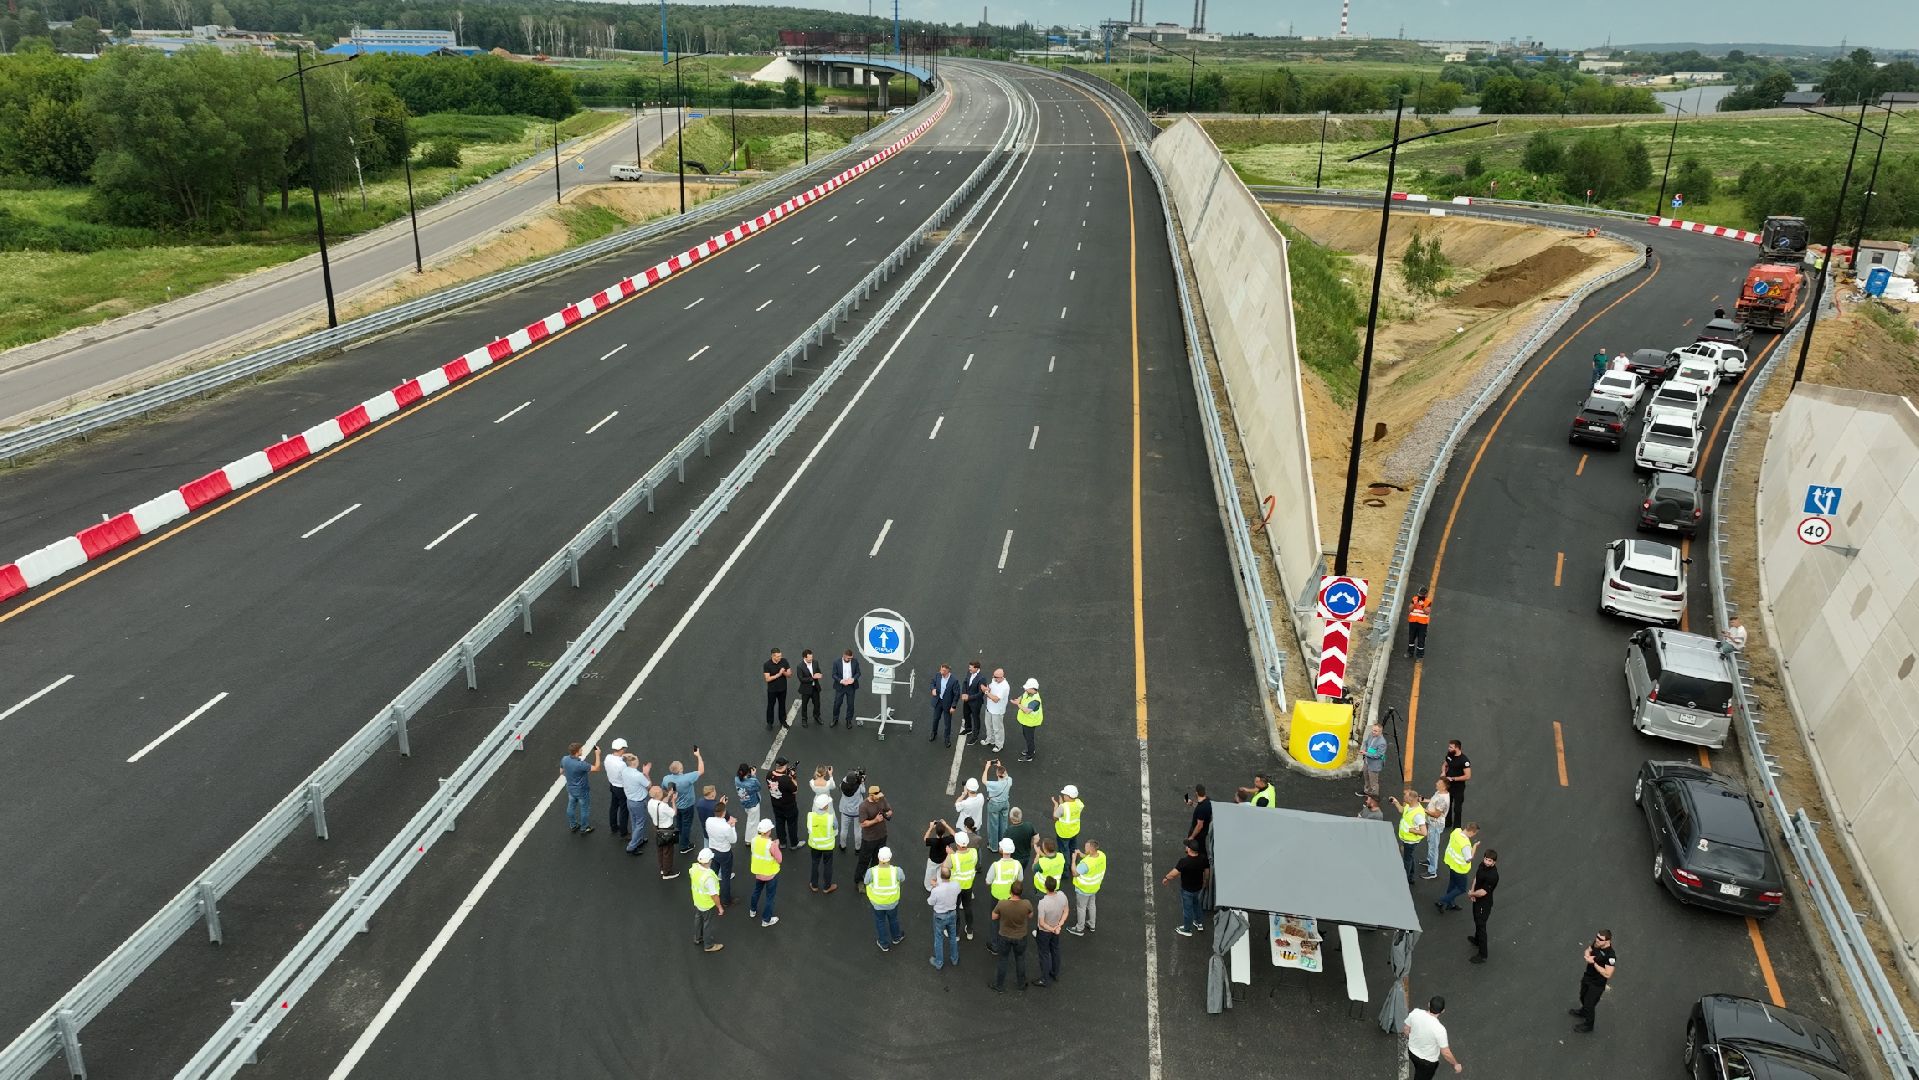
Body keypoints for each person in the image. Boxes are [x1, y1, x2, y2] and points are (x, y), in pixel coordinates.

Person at [989, 880, 1034, 993]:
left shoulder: (1002, 903)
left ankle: (999, 986)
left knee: (1003, 960)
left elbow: (994, 917)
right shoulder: (1026, 904)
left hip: (1004, 936)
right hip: (1021, 937)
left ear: (1010, 891)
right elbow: (1030, 915)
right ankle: (1021, 984)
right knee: (1020, 959)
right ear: (1021, 892)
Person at [1405, 996, 1463, 1078]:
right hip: (1427, 1061)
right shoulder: (1440, 1029)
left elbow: (1406, 1029)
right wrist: (1456, 1064)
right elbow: (1446, 1052)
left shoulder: (1415, 1013)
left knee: (1418, 1068)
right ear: (1442, 1011)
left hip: (1411, 1051)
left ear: (1428, 1004)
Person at [1570, 930, 1617, 1033]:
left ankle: (1589, 1025)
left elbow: (1608, 973)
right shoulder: (1597, 943)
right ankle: (1583, 1011)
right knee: (1582, 996)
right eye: (1597, 937)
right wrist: (1587, 956)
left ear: (1608, 941)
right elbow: (1588, 950)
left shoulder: (1611, 956)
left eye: (1600, 939)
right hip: (1588, 976)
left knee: (1589, 1004)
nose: (1597, 940)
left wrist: (1594, 962)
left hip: (1597, 984)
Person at [1162, 839, 1209, 937]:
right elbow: (1207, 871)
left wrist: (1166, 878)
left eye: (1187, 846)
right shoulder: (1203, 858)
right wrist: (1205, 881)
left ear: (1189, 849)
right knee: (1196, 904)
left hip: (1187, 890)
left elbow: (1173, 874)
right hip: (1198, 887)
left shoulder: (1184, 862)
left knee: (1187, 910)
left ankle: (1187, 929)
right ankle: (1199, 922)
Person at [985, 838, 1023, 955]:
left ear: (1001, 850)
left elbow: (988, 881)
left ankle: (995, 945)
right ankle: (1008, 942)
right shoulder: (1017, 865)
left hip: (997, 897)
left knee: (995, 920)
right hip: (1011, 898)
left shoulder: (996, 865)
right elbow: (1020, 880)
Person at [662, 748, 704, 854]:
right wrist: (698, 756)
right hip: (687, 806)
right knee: (686, 825)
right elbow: (701, 770)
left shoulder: (666, 778)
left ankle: (679, 834)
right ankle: (684, 846)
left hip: (675, 804)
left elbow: (664, 789)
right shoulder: (687, 778)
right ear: (680, 769)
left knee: (679, 822)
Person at [866, 846, 906, 952]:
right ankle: (896, 937)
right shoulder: (897, 871)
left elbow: (866, 881)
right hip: (892, 902)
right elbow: (902, 879)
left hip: (877, 903)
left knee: (880, 921)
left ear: (878, 857)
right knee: (893, 919)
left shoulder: (871, 871)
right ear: (890, 857)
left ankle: (883, 943)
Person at [855, 783, 894, 887]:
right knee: (864, 861)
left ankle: (871, 877)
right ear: (871, 795)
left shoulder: (881, 799)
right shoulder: (863, 806)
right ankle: (859, 881)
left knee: (877, 860)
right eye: (877, 797)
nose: (879, 799)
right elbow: (862, 823)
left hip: (882, 836)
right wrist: (875, 820)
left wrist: (888, 813)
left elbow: (889, 810)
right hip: (869, 839)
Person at [1433, 822, 1479, 912]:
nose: (1474, 835)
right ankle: (1442, 901)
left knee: (1453, 884)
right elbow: (1469, 859)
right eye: (1475, 833)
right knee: (1461, 888)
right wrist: (1474, 847)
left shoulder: (1456, 831)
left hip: (1452, 864)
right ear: (1472, 832)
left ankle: (1450, 903)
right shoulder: (1465, 844)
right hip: (1460, 869)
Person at [748, 819, 783, 928]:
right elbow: (779, 859)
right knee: (769, 897)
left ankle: (752, 910)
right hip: (770, 874)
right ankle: (766, 920)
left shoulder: (754, 840)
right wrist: (776, 845)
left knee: (756, 891)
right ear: (768, 831)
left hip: (758, 872)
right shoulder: (771, 845)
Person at [1033, 874, 1067, 987]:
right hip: (1056, 930)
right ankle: (1055, 973)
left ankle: (1044, 979)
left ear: (1046, 887)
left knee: (1044, 954)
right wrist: (1059, 926)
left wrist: (1052, 929)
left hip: (1044, 932)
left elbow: (1042, 923)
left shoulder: (1043, 903)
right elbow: (1066, 911)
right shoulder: (1062, 895)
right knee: (1055, 951)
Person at [559, 742, 601, 834]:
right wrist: (597, 754)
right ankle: (584, 827)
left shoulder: (564, 759)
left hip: (570, 788)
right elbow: (597, 768)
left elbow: (561, 772)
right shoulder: (581, 764)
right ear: (577, 752)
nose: (582, 750)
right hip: (582, 790)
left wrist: (571, 777)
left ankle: (573, 825)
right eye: (581, 749)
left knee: (571, 806)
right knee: (584, 808)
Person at [1467, 849, 1499, 964]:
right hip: (1477, 898)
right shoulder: (1482, 865)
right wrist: (1473, 890)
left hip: (1484, 904)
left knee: (1481, 926)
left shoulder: (1493, 876)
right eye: (1486, 859)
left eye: (1489, 861)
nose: (1486, 862)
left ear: (1494, 862)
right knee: (1476, 920)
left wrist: (1472, 894)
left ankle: (1482, 954)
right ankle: (1476, 940)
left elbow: (1483, 892)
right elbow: (1476, 877)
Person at [705, 797, 738, 906]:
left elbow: (721, 814)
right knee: (725, 876)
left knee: (713, 874)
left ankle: (711, 894)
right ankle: (726, 900)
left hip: (712, 850)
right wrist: (732, 826)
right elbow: (733, 840)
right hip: (724, 853)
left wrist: (722, 804)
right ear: (724, 813)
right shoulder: (726, 827)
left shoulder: (708, 821)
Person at [690, 848, 724, 954]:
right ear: (709, 861)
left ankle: (697, 937)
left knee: (698, 918)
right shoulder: (709, 876)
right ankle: (708, 945)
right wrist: (719, 907)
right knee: (707, 924)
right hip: (706, 904)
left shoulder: (694, 868)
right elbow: (714, 895)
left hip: (697, 900)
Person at [1391, 788, 1428, 883]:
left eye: (1406, 797)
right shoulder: (1410, 805)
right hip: (1406, 838)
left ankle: (1404, 879)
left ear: (1411, 800)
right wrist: (1396, 803)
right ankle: (1411, 877)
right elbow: (1402, 811)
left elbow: (1424, 832)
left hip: (1410, 841)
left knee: (1407, 860)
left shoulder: (1418, 815)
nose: (1404, 798)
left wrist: (1412, 830)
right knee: (1410, 856)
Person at [1068, 838, 1104, 936]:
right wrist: (1080, 854)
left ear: (1091, 849)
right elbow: (1088, 857)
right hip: (1094, 887)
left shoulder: (1085, 865)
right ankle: (1092, 924)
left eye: (1086, 847)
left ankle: (1079, 928)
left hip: (1083, 889)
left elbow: (1075, 873)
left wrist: (1074, 859)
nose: (1084, 848)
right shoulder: (1101, 855)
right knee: (1092, 905)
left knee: (1081, 908)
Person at [928, 865, 961, 970]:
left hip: (939, 916)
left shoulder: (936, 890)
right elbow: (958, 890)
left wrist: (934, 887)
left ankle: (939, 962)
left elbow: (930, 902)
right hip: (952, 914)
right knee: (953, 936)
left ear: (940, 876)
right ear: (950, 875)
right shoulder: (956, 885)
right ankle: (954, 958)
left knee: (939, 939)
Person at [951, 831, 981, 940]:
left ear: (957, 844)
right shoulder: (973, 852)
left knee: (955, 909)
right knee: (968, 907)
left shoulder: (953, 857)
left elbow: (946, 868)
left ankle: (956, 934)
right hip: (968, 885)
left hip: (956, 888)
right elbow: (974, 863)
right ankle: (969, 931)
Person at [623, 754, 653, 856]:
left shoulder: (624, 770)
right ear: (635, 763)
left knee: (635, 822)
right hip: (638, 802)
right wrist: (646, 773)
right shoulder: (638, 775)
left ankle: (639, 839)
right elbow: (649, 786)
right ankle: (632, 846)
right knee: (640, 824)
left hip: (630, 801)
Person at [806, 793, 838, 893]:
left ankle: (814, 885)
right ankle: (827, 887)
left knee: (815, 864)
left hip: (815, 845)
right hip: (828, 846)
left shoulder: (810, 816)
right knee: (827, 865)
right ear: (826, 806)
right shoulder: (830, 817)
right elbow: (835, 827)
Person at [767, 758, 801, 850]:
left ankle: (782, 843)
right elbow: (795, 790)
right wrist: (793, 777)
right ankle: (794, 844)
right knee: (792, 825)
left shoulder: (769, 775)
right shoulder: (786, 780)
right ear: (784, 766)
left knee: (779, 823)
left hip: (776, 805)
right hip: (789, 806)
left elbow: (778, 780)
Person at [648, 784, 680, 880]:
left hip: (657, 827)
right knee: (668, 851)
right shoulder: (663, 806)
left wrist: (669, 795)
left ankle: (662, 868)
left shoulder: (650, 802)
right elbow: (674, 813)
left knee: (660, 849)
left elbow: (662, 802)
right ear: (658, 795)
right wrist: (673, 801)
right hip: (666, 829)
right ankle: (667, 873)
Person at [1423, 780, 1452, 879]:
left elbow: (1436, 814)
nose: (1436, 783)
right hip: (1431, 823)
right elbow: (1432, 801)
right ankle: (1429, 861)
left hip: (1435, 824)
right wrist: (1423, 800)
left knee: (1433, 847)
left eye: (1439, 783)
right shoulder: (1439, 792)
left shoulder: (1443, 799)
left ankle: (1432, 871)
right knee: (1430, 843)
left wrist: (1423, 810)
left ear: (1444, 787)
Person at [1440, 741, 1472, 831]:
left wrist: (1453, 779)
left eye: (1451, 747)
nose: (1448, 748)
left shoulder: (1464, 761)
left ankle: (1457, 827)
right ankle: (1447, 822)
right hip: (1448, 786)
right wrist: (1443, 772)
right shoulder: (1450, 755)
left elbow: (1468, 776)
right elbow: (1445, 764)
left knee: (1457, 809)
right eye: (1449, 747)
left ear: (1457, 748)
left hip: (1458, 788)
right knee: (1447, 805)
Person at [983, 760, 1013, 849]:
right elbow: (1004, 774)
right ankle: (1002, 844)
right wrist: (1000, 766)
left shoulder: (995, 785)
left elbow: (984, 780)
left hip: (994, 805)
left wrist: (987, 767)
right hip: (1005, 803)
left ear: (997, 775)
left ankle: (994, 846)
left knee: (993, 825)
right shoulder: (1009, 780)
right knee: (1004, 823)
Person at [927, 663, 958, 747]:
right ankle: (934, 732)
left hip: (947, 704)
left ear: (948, 671)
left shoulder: (954, 680)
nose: (941, 672)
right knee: (935, 719)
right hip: (938, 702)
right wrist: (933, 689)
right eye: (941, 669)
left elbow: (956, 694)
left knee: (947, 723)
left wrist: (953, 706)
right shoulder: (938, 675)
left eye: (943, 670)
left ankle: (947, 738)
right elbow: (932, 682)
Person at [605, 738, 631, 838]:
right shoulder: (622, 765)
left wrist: (623, 757)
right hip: (621, 788)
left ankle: (613, 826)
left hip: (612, 785)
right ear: (622, 749)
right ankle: (624, 832)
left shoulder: (608, 758)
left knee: (614, 806)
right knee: (624, 810)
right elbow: (626, 777)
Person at [1014, 677, 1044, 761]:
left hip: (1030, 723)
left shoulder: (1035, 701)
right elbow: (1022, 696)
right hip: (1026, 721)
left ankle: (1029, 755)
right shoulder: (1028, 692)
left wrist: (1018, 704)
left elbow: (1027, 711)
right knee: (1027, 736)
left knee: (1029, 739)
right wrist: (1019, 699)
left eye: (1027, 688)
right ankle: (1030, 750)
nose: (1025, 689)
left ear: (1032, 689)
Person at [982, 668, 1011, 752]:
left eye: (995, 677)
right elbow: (990, 688)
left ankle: (999, 745)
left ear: (1001, 677)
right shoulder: (995, 680)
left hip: (997, 711)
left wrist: (986, 692)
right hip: (989, 708)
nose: (993, 678)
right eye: (993, 676)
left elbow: (996, 699)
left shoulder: (1005, 687)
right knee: (988, 726)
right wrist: (986, 689)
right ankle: (990, 739)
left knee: (997, 729)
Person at [923, 818, 956, 890]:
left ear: (936, 832)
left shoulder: (933, 841)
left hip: (933, 861)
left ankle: (929, 886)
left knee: (930, 873)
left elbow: (925, 839)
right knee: (940, 873)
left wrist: (931, 827)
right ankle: (939, 884)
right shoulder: (947, 840)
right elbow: (954, 834)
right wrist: (946, 825)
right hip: (943, 860)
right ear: (944, 832)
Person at [1052, 784, 1084, 858]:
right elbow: (1070, 810)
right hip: (1074, 830)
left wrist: (1056, 805)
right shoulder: (1079, 803)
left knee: (1064, 851)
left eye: (1064, 795)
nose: (1063, 796)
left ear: (1068, 796)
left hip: (1063, 833)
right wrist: (1062, 804)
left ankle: (1065, 868)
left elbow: (1055, 817)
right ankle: (1074, 862)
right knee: (1073, 848)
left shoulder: (1063, 807)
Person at [1030, 838, 1065, 907]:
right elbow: (1050, 858)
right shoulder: (1061, 856)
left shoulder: (1042, 862)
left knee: (1043, 903)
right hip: (1055, 886)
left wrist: (1037, 854)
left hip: (1042, 888)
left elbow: (1033, 868)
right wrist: (1042, 853)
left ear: (1045, 850)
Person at [763, 647, 792, 729]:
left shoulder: (784, 661)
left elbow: (789, 674)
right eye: (778, 656)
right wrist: (779, 674)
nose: (780, 657)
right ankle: (769, 722)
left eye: (780, 655)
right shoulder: (767, 665)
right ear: (773, 656)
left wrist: (784, 672)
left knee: (782, 705)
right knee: (770, 706)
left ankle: (783, 721)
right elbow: (767, 679)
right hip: (772, 690)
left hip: (783, 689)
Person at [832, 648, 862, 728]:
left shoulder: (855, 661)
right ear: (844, 656)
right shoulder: (836, 662)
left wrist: (853, 679)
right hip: (840, 686)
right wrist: (841, 681)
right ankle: (835, 719)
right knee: (837, 704)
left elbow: (858, 673)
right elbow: (834, 675)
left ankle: (849, 720)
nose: (850, 659)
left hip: (851, 687)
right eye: (848, 658)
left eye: (851, 658)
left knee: (850, 705)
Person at [960, 660, 987, 744]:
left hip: (975, 703)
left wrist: (969, 697)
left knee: (975, 719)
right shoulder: (969, 673)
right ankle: (968, 729)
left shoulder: (982, 678)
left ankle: (975, 737)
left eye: (970, 667)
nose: (969, 669)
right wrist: (964, 693)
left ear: (976, 668)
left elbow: (980, 693)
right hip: (967, 700)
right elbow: (965, 683)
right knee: (966, 714)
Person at [838, 769, 865, 852]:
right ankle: (858, 848)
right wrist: (862, 781)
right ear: (855, 780)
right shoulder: (859, 786)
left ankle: (842, 845)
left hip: (846, 811)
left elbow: (844, 780)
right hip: (857, 812)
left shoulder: (842, 786)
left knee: (844, 829)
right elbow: (864, 791)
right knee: (857, 830)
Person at [796, 648, 825, 726]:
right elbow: (801, 679)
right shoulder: (800, 666)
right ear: (804, 658)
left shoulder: (815, 662)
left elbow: (818, 671)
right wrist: (813, 678)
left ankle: (817, 716)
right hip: (805, 689)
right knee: (804, 705)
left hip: (815, 688)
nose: (811, 659)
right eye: (809, 658)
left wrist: (819, 674)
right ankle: (804, 719)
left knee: (817, 704)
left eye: (812, 658)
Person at [733, 763, 763, 839]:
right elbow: (759, 787)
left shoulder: (736, 779)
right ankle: (749, 839)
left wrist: (749, 775)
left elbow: (745, 779)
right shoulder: (751, 782)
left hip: (745, 802)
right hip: (753, 804)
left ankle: (752, 836)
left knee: (751, 821)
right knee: (752, 822)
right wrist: (753, 775)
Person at [1359, 724, 1388, 798]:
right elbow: (1366, 742)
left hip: (1374, 765)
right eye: (1373, 730)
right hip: (1367, 762)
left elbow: (1378, 755)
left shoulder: (1382, 743)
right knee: (1366, 778)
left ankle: (1375, 797)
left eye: (1375, 731)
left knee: (1373, 783)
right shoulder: (1371, 735)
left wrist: (1365, 753)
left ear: (1380, 732)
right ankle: (1367, 791)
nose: (1373, 732)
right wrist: (1364, 749)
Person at [955, 778, 986, 842]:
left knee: (961, 842)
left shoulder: (965, 803)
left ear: (968, 789)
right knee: (975, 843)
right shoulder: (981, 797)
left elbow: (956, 804)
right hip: (976, 825)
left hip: (964, 828)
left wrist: (963, 795)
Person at [1407, 587, 1432, 659]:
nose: (1420, 596)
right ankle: (1410, 653)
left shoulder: (1428, 602)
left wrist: (1422, 605)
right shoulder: (1414, 599)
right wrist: (1414, 604)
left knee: (1421, 640)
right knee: (1411, 638)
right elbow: (1410, 609)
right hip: (1413, 622)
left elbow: (1427, 612)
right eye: (1419, 594)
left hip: (1422, 624)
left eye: (1422, 595)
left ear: (1425, 595)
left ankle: (1420, 656)